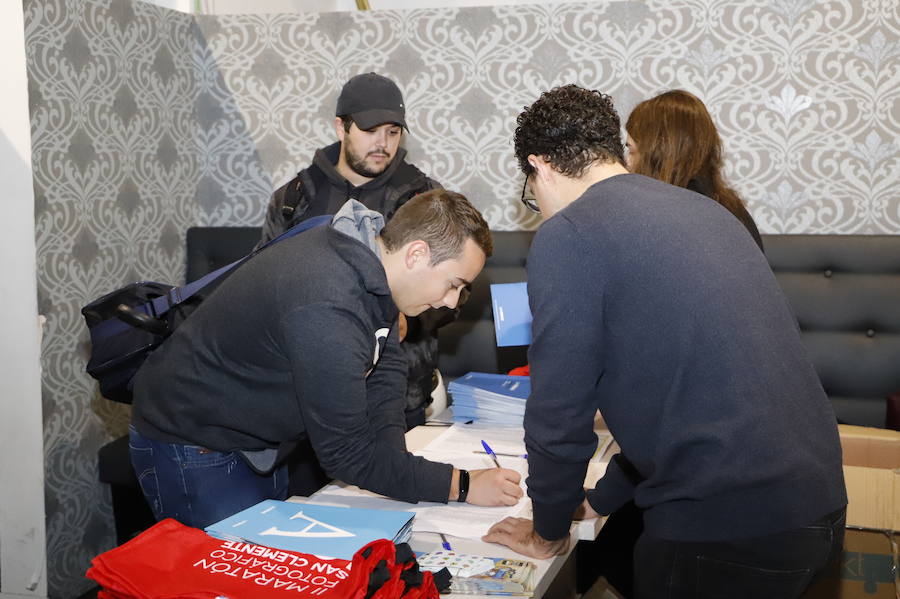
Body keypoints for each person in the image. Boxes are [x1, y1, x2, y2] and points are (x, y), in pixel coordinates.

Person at [483, 85, 846, 599]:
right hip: (816, 506)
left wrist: (548, 530)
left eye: (530, 192)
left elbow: (558, 413)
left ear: (539, 165)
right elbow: (687, 402)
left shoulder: (570, 235)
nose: (538, 207)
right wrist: (597, 500)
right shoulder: (708, 212)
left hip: (727, 528)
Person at [130, 190, 523, 529]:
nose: (451, 301)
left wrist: (396, 466)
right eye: (454, 284)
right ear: (417, 254)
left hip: (258, 440)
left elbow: (385, 371)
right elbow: (346, 455)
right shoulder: (327, 300)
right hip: (195, 445)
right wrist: (464, 485)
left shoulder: (372, 264)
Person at [258, 72, 449, 495]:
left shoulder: (426, 199)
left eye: (393, 131)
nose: (383, 142)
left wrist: (409, 318)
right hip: (305, 415)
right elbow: (266, 289)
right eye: (369, 130)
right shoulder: (293, 199)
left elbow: (456, 292)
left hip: (401, 403)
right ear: (340, 127)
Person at [625, 89, 764, 251]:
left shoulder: (675, 220)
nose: (627, 162)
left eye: (632, 151)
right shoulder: (730, 210)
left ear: (658, 154)